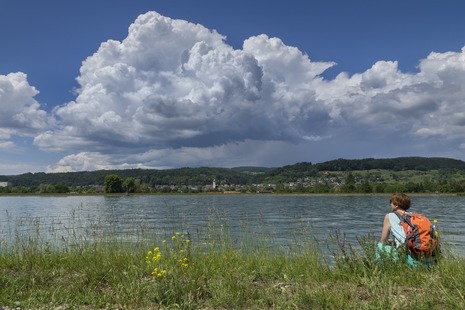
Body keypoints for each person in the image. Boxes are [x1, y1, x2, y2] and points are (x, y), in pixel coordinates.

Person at [378, 193, 435, 267]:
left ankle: (381, 268)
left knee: (380, 246)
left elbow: (383, 240)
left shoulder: (389, 216)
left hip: (412, 261)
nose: (390, 205)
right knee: (393, 243)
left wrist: (384, 243)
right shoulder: (414, 216)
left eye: (391, 203)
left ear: (396, 205)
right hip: (429, 260)